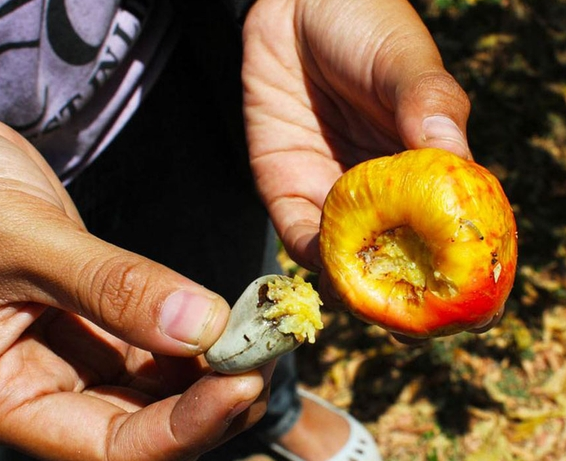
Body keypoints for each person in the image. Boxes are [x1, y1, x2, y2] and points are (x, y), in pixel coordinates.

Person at [0, 0, 495, 460]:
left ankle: (278, 413)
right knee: (117, 355)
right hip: (21, 161)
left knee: (238, 277)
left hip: (173, 75)